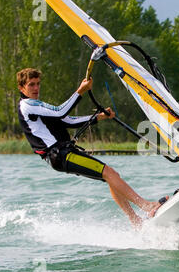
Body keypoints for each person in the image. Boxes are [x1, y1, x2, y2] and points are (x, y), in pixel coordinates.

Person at [17, 68, 167, 229]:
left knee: (111, 176)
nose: (36, 88)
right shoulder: (27, 105)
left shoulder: (38, 106)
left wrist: (98, 117)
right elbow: (61, 112)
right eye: (31, 85)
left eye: (38, 84)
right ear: (21, 88)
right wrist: (80, 91)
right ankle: (146, 206)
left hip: (64, 154)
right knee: (109, 173)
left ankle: (136, 222)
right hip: (59, 155)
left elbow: (69, 121)